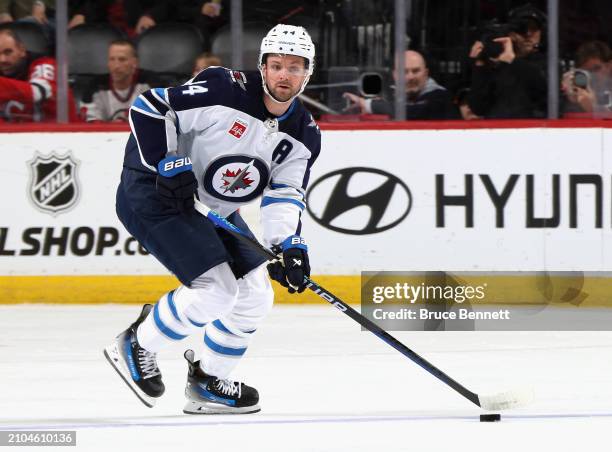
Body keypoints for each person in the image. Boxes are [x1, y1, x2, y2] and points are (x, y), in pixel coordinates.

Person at [104, 24, 320, 414]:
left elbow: (285, 193)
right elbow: (151, 106)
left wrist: (287, 244)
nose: (284, 74)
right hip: (155, 192)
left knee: (255, 295)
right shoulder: (224, 89)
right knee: (216, 290)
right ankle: (137, 343)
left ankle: (207, 381)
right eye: (276, 65)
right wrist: (166, 160)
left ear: (309, 72)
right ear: (263, 67)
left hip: (215, 208)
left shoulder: (304, 133)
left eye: (295, 66)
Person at [467, 3, 547, 119]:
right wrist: (480, 65)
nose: (528, 34)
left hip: (533, 130)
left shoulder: (548, 62)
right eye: (522, 29)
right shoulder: (498, 64)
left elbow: (544, 94)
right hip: (496, 130)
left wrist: (513, 61)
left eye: (534, 29)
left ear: (541, 33)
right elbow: (478, 108)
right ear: (511, 34)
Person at [342, 50, 459, 120]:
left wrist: (367, 104)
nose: (410, 77)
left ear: (426, 73)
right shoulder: (396, 96)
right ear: (395, 75)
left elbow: (411, 112)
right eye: (404, 71)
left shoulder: (440, 96)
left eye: (416, 71)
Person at [0, 28, 78, 121]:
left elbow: (39, 91)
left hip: (63, 132)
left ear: (22, 50)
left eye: (8, 52)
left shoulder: (45, 63)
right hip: (22, 133)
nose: (2, 60)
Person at [83, 39, 150, 122]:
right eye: (112, 59)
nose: (116, 66)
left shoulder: (150, 85)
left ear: (134, 63)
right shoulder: (95, 87)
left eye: (122, 59)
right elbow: (92, 126)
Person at [561, 40, 612, 115]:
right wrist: (571, 99)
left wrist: (593, 108)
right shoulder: (577, 94)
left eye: (596, 68)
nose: (592, 75)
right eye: (585, 72)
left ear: (609, 66)